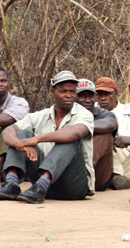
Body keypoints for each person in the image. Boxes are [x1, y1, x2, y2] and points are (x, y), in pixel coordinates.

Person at [0, 71, 94, 203]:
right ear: (52, 92)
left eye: (72, 92)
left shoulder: (84, 114)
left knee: (70, 138)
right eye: (63, 91)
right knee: (20, 134)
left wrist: (37, 139)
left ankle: (42, 185)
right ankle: (11, 184)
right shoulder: (41, 115)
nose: (69, 95)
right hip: (40, 185)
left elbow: (77, 132)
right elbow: (8, 130)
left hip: (73, 186)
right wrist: (19, 144)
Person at [76, 79, 117, 191]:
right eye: (83, 96)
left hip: (98, 176)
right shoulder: (65, 113)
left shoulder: (103, 113)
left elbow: (111, 124)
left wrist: (77, 129)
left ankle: (80, 175)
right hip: (70, 167)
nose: (88, 100)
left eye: (91, 96)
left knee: (105, 136)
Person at [0, 68, 30, 178]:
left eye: (3, 81)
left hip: (12, 151)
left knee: (8, 128)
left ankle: (8, 171)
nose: (0, 84)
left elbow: (8, 119)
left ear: (9, 83)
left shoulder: (19, 102)